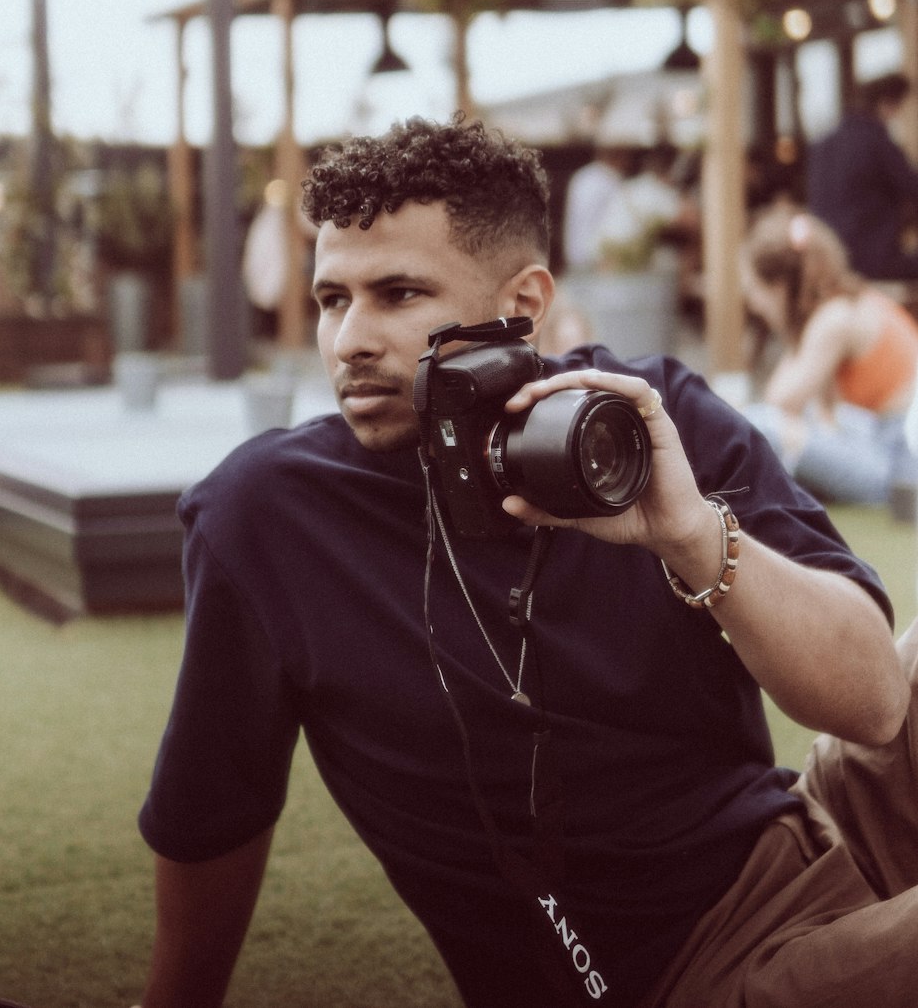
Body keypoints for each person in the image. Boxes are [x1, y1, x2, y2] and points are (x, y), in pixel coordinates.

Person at [137, 116, 914, 1008]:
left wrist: (693, 536)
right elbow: (213, 813)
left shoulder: (653, 416)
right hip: (701, 975)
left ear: (523, 304)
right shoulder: (269, 515)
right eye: (331, 299)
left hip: (809, 831)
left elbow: (874, 705)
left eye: (398, 294)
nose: (351, 339)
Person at [741, 202, 918, 507]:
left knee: (760, 424)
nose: (754, 304)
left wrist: (788, 330)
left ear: (781, 285)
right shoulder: (851, 301)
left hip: (900, 470)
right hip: (887, 440)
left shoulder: (834, 319)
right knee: (785, 423)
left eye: (756, 291)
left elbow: (780, 401)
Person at [807, 71, 918, 279]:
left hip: (829, 261)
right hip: (871, 262)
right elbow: (913, 187)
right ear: (886, 103)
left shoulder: (824, 143)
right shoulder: (877, 142)